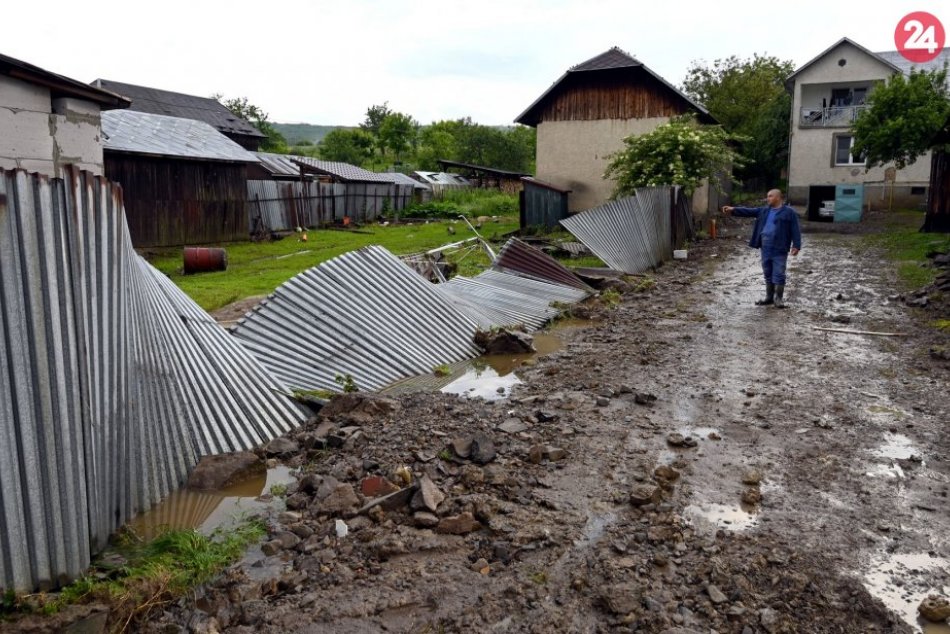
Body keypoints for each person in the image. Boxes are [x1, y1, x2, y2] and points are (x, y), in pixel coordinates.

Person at [722, 189, 802, 308]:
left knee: (779, 273)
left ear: (778, 198)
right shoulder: (764, 210)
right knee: (767, 272)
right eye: (767, 196)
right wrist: (734, 209)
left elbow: (795, 229)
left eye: (770, 196)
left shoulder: (789, 212)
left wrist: (796, 245)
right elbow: (749, 211)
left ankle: (778, 298)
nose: (767, 198)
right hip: (765, 247)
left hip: (780, 247)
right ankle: (769, 297)